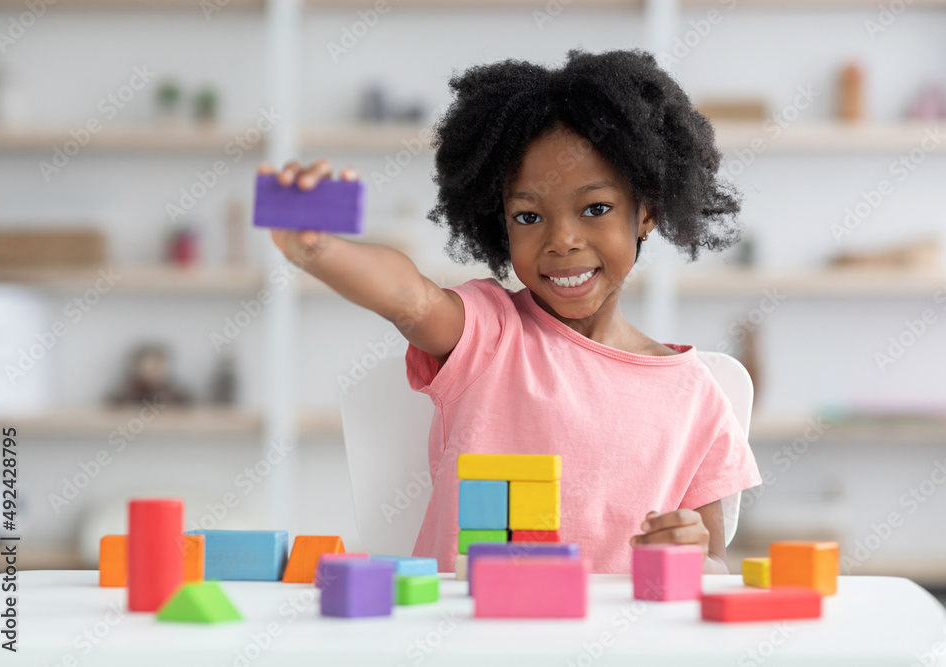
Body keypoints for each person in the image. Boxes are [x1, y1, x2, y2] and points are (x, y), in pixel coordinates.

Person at [264, 48, 762, 574]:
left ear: (647, 214)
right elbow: (409, 298)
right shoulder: (489, 331)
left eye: (595, 208)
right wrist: (319, 249)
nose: (562, 240)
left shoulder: (696, 395)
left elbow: (713, 565)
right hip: (461, 620)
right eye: (528, 216)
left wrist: (694, 557)